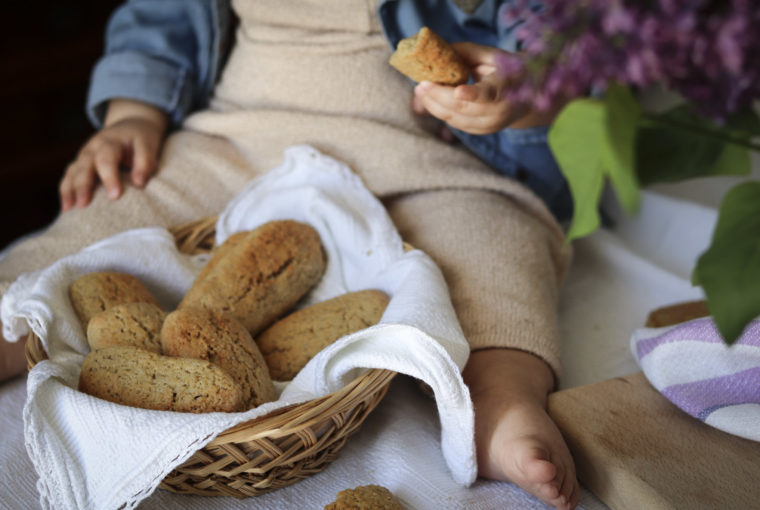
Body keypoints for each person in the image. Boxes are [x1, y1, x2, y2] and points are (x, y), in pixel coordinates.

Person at [0, 1, 578, 508]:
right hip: (236, 139)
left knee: (495, 245)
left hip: (426, 161)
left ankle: (499, 397)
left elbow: (559, 43)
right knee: (111, 218)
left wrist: (519, 94)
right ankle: (7, 313)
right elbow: (163, 17)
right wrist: (133, 115)